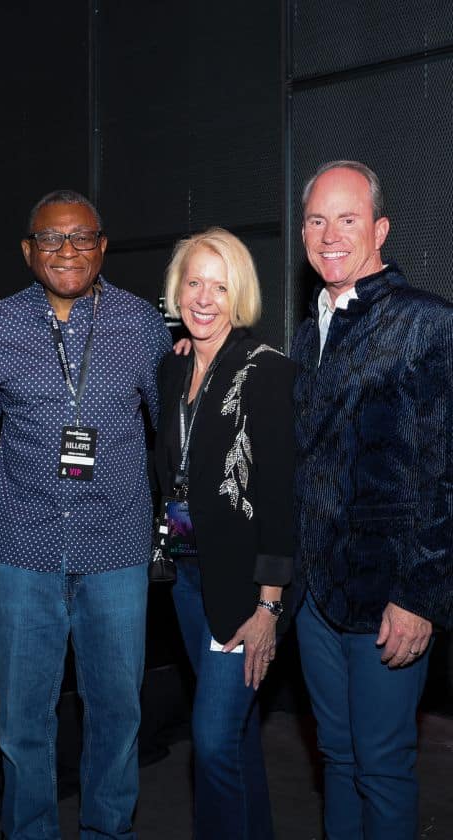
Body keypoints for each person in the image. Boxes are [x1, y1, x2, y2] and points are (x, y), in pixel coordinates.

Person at [0, 190, 172, 839]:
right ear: (28, 252)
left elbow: (174, 433)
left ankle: (108, 830)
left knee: (117, 715)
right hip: (25, 550)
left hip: (118, 551)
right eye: (51, 239)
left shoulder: (140, 323)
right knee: (23, 721)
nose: (67, 249)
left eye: (81, 237)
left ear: (103, 247)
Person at [293, 160, 453, 839]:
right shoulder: (310, 331)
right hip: (315, 597)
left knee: (383, 765)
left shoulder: (429, 323)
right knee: (337, 757)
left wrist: (422, 595)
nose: (331, 234)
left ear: (380, 227)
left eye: (348, 218)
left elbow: (445, 473)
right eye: (318, 219)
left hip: (391, 593)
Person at [154, 228, 295, 839]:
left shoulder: (268, 372)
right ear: (177, 290)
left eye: (221, 285)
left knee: (211, 744)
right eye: (194, 283)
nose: (205, 298)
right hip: (187, 578)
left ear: (240, 294)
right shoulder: (173, 368)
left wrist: (269, 606)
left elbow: (281, 498)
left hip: (245, 591)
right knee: (234, 744)